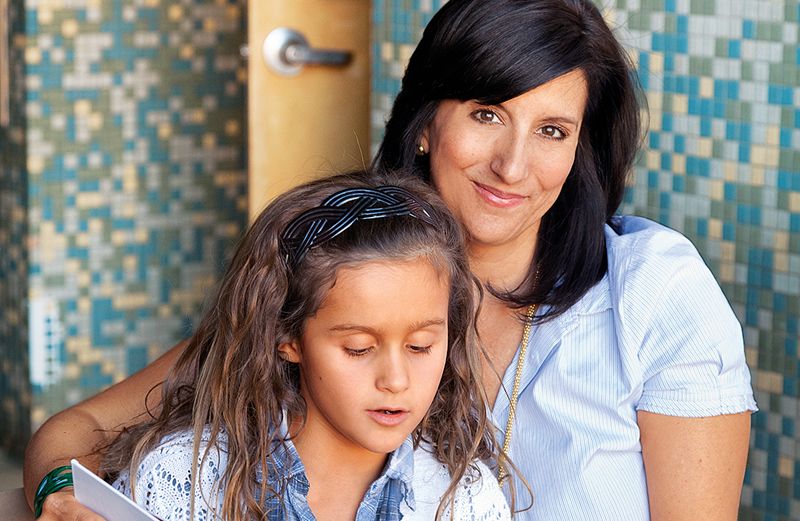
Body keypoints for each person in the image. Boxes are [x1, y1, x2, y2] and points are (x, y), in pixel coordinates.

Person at [25, 0, 756, 520]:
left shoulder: (655, 292)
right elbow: (70, 434)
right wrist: (60, 495)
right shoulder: (332, 278)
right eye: (487, 114)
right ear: (428, 123)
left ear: (581, 148)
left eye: (553, 131)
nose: (512, 164)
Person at [103, 171, 512, 520]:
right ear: (287, 336)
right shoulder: (186, 480)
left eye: (420, 346)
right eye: (358, 348)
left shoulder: (464, 500)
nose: (396, 380)